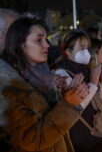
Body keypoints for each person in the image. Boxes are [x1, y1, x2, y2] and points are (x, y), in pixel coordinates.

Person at [0, 17, 89, 152]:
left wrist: (63, 95)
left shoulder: (39, 78)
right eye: (38, 40)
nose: (47, 45)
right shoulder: (8, 87)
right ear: (19, 44)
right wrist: (68, 104)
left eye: (46, 39)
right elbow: (30, 140)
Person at [52, 30, 102, 152]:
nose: (86, 52)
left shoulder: (85, 70)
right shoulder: (62, 73)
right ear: (68, 52)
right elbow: (77, 106)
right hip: (77, 133)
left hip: (89, 130)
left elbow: (97, 100)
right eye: (82, 48)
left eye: (88, 48)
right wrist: (93, 83)